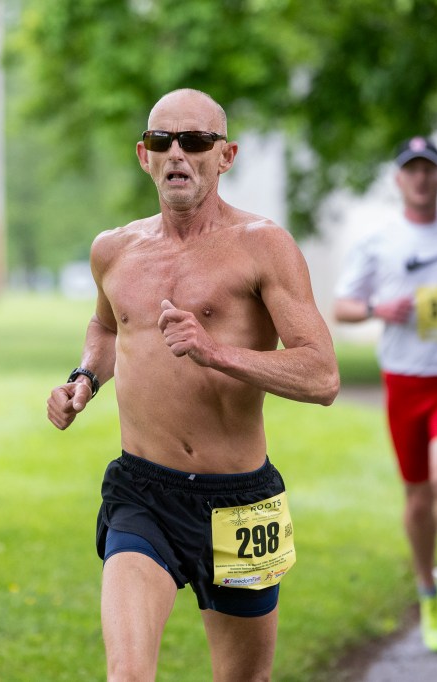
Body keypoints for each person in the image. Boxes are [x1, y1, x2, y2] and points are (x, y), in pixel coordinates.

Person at [46, 89, 340, 681]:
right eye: (163, 141)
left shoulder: (264, 246)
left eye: (196, 141)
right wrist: (83, 378)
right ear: (143, 155)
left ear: (225, 155)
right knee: (127, 676)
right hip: (142, 491)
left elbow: (323, 375)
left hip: (241, 501)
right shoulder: (114, 250)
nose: (177, 153)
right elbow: (106, 328)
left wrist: (215, 352)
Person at [332, 136, 437, 653]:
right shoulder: (379, 241)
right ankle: (427, 591)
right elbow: (342, 306)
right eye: (412, 170)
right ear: (399, 180)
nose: (422, 178)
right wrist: (380, 310)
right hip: (404, 382)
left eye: (431, 169)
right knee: (418, 494)